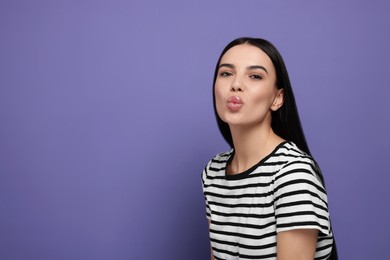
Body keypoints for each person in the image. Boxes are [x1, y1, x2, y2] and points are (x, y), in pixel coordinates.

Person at [201, 37, 338, 260]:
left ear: (277, 98)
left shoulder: (293, 174)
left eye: (255, 76)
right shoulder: (213, 172)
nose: (235, 84)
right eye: (226, 73)